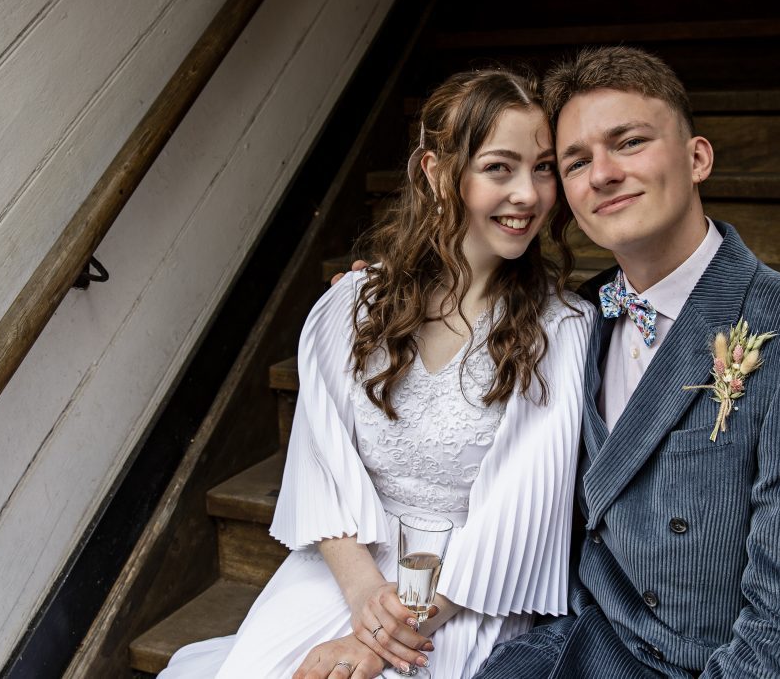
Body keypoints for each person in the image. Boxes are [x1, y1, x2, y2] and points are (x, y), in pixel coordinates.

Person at [158, 67, 595, 679]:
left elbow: (522, 511)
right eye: (500, 167)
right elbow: (322, 465)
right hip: (344, 571)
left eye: (543, 167)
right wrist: (365, 600)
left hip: (466, 593)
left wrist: (387, 637)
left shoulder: (563, 329)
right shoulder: (352, 303)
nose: (528, 193)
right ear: (436, 172)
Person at [472, 46, 780, 678]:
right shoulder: (576, 317)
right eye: (576, 161)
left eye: (629, 142)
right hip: (583, 647)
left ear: (697, 159)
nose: (602, 173)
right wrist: (382, 291)